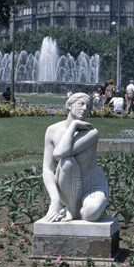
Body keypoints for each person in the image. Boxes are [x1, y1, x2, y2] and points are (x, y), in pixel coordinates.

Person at [39, 92, 108, 223]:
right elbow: (47, 170)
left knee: (90, 214)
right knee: (67, 162)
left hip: (92, 187)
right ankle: (71, 207)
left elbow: (60, 152)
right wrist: (55, 200)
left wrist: (73, 125)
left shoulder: (91, 132)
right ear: (69, 106)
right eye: (81, 104)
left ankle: (77, 209)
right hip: (67, 189)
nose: (84, 109)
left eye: (88, 107)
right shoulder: (52, 131)